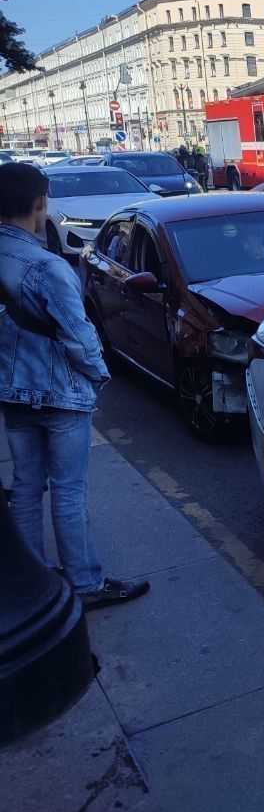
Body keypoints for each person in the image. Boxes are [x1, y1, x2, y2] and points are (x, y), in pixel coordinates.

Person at [0, 162, 150, 609]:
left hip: (11, 392)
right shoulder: (46, 266)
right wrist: (99, 376)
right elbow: (79, 336)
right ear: (39, 204)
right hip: (59, 392)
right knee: (67, 491)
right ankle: (85, 584)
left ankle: (35, 582)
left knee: (26, 486)